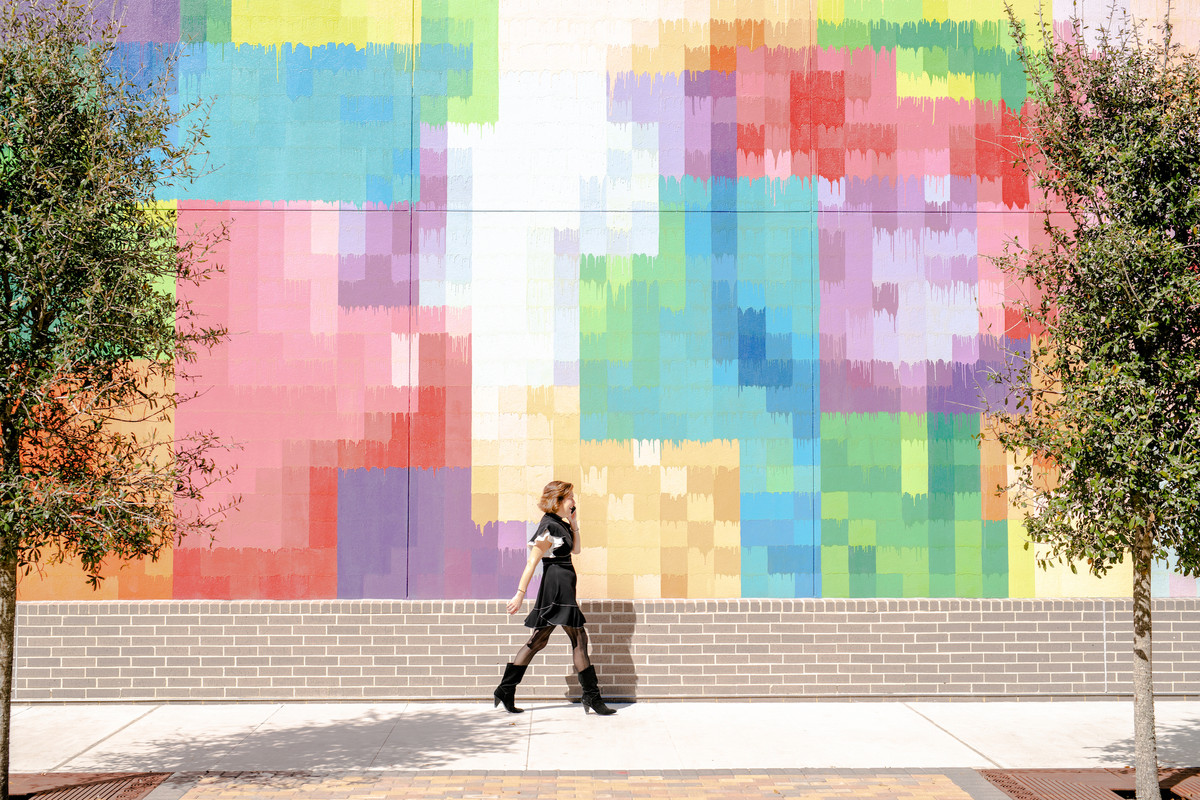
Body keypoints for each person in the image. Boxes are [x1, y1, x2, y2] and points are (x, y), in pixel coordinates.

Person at [492, 480, 616, 715]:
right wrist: (520, 594)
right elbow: (532, 562)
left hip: (564, 584)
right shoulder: (548, 526)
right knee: (578, 637)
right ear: (557, 501)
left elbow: (576, 550)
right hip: (557, 586)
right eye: (570, 497)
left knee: (540, 639)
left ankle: (505, 689)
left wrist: (575, 522)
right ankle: (592, 697)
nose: (574, 501)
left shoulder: (562, 524)